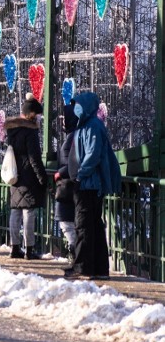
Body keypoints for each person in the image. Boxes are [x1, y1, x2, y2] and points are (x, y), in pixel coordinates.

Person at [64, 91, 122, 280]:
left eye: (78, 104)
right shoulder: (87, 125)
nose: (75, 108)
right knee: (93, 226)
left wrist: (80, 175)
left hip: (88, 184)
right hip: (87, 183)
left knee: (84, 226)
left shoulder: (92, 126)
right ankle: (98, 268)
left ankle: (84, 267)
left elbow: (93, 154)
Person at [5, 93, 48, 260]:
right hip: (29, 177)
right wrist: (42, 178)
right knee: (28, 212)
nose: (39, 119)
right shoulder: (30, 132)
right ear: (32, 115)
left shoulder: (13, 131)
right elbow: (34, 158)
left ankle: (14, 247)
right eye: (38, 115)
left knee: (15, 211)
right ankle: (29, 249)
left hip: (15, 176)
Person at [54, 103, 79, 263]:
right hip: (68, 184)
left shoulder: (73, 137)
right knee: (68, 222)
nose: (62, 122)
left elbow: (74, 161)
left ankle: (75, 252)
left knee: (66, 222)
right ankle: (75, 251)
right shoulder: (73, 136)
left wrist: (60, 173)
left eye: (64, 118)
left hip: (68, 185)